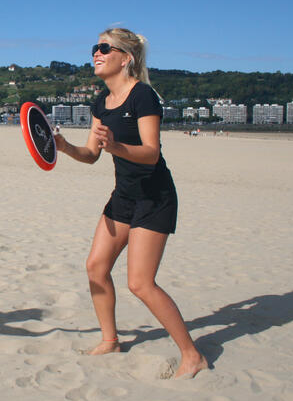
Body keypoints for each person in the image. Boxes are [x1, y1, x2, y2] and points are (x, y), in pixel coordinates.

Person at [53, 27, 208, 379]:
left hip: (155, 196)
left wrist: (116, 147)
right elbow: (92, 154)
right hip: (123, 196)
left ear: (126, 58)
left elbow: (151, 154)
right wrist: (65, 147)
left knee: (140, 283)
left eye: (105, 47)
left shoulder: (143, 97)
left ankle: (191, 354)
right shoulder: (100, 103)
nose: (96, 52)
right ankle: (110, 340)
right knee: (95, 266)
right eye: (95, 46)